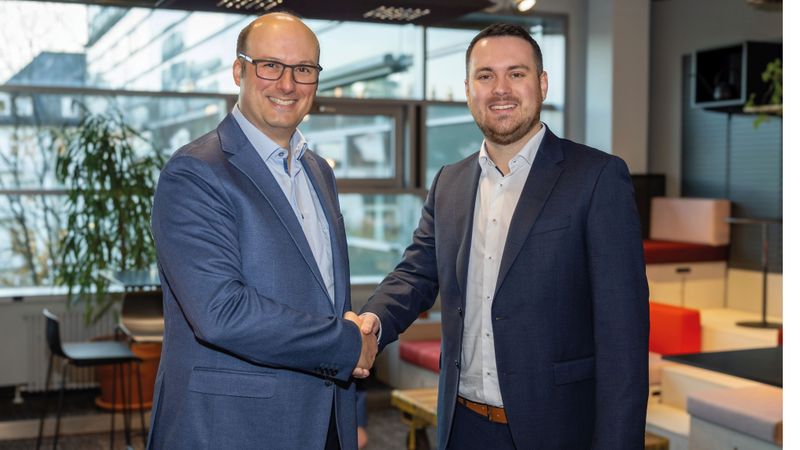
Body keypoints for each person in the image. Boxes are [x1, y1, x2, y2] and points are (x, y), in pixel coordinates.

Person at [358, 23, 650, 449]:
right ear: (468, 89)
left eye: (516, 73)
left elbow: (623, 336)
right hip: (463, 426)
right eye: (485, 75)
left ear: (542, 83)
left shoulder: (597, 178)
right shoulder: (449, 182)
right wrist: (371, 324)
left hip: (558, 429)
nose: (501, 89)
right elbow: (415, 276)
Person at [148, 12, 376, 450]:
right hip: (232, 427)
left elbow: (332, 299)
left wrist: (354, 410)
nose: (287, 84)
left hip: (323, 420)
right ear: (239, 70)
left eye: (304, 70)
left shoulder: (318, 172)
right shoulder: (195, 172)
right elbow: (222, 313)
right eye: (270, 65)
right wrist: (347, 346)